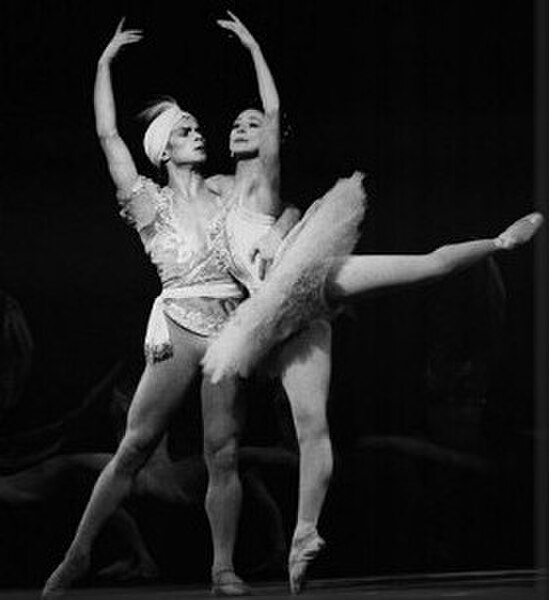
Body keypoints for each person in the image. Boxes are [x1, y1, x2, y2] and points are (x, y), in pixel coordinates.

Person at [201, 10, 544, 594]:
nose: (241, 127)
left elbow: (275, 109)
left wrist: (254, 45)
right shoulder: (212, 190)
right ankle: (229, 561)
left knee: (319, 418)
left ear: (271, 138)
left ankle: (500, 241)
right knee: (247, 436)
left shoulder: (264, 177)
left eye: (251, 123)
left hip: (306, 279)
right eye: (234, 123)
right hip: (261, 312)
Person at [40, 17, 298, 598]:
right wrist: (104, 65)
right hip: (179, 327)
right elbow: (108, 136)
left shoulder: (226, 189)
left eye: (197, 129)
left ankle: (223, 567)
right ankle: (77, 555)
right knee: (133, 448)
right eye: (186, 132)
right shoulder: (146, 201)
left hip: (228, 328)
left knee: (222, 451)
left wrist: (256, 47)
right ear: (163, 149)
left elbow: (274, 140)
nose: (199, 135)